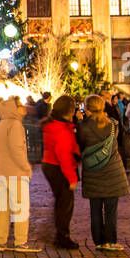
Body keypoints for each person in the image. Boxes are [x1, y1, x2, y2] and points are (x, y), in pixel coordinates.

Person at [79, 95, 130, 250]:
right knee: (110, 210)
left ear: (87, 108)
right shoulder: (113, 124)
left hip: (93, 171)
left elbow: (80, 145)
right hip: (112, 171)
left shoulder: (83, 127)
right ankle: (111, 241)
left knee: (95, 209)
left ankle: (99, 241)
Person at [0, 96, 40, 252]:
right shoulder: (15, 125)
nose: (23, 108)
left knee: (3, 209)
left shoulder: (0, 124)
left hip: (2, 171)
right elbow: (17, 150)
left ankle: (1, 240)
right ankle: (20, 241)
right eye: (20, 105)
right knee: (20, 208)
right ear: (14, 108)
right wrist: (26, 167)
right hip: (15, 172)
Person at [41, 95, 81, 249]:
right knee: (65, 204)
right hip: (57, 167)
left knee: (61, 202)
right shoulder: (61, 129)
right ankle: (62, 236)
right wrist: (71, 178)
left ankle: (60, 233)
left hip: (49, 164)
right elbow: (63, 155)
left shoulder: (53, 124)